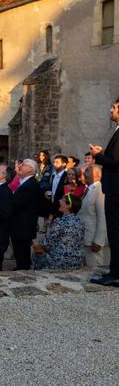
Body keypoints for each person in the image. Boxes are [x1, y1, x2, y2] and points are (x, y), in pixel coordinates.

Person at [90, 98, 119, 286]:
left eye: (114, 107)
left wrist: (97, 156)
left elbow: (114, 162)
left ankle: (115, 274)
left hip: (116, 190)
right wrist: (103, 154)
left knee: (115, 232)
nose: (111, 110)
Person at [33, 194, 85, 270]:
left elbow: (48, 242)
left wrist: (37, 244)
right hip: (77, 261)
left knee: (37, 251)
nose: (59, 201)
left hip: (59, 260)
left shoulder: (60, 221)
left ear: (68, 205)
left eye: (62, 200)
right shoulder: (80, 221)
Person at [10, 159, 42, 270]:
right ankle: (21, 267)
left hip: (23, 225)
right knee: (20, 251)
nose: (19, 166)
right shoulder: (25, 182)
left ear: (30, 169)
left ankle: (22, 270)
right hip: (21, 224)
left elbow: (15, 203)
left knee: (22, 252)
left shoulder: (30, 184)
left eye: (23, 165)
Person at [79, 165, 105, 273]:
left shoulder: (100, 190)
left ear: (96, 174)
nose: (84, 172)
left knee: (95, 271)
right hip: (83, 238)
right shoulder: (87, 189)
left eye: (87, 170)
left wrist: (98, 241)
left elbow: (102, 216)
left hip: (92, 240)